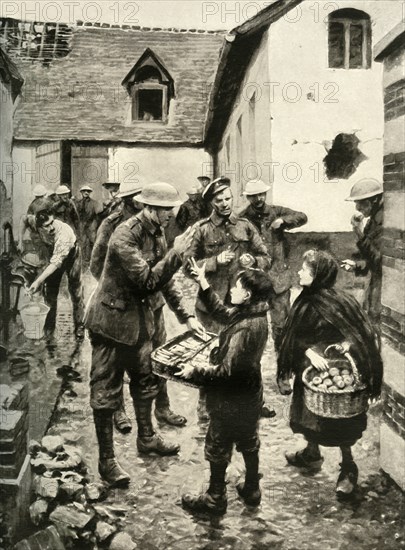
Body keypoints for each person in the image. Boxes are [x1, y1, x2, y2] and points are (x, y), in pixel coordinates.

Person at [84, 182, 205, 487]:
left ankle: (147, 437)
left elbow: (165, 284)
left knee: (145, 381)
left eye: (171, 209)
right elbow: (149, 280)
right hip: (110, 324)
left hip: (138, 323)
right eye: (166, 210)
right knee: (105, 393)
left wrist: (187, 316)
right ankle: (107, 461)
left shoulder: (157, 231)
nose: (170, 215)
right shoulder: (123, 235)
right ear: (149, 208)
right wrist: (176, 255)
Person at [277, 249, 382, 496]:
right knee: (309, 414)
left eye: (305, 270)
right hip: (312, 372)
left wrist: (347, 345)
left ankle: (348, 467)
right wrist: (308, 353)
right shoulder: (303, 300)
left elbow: (361, 333)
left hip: (337, 365)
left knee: (337, 421)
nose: (300, 272)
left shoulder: (342, 301)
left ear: (318, 275)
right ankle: (312, 453)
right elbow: (293, 337)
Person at [177, 259, 272, 515]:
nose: (231, 291)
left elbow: (226, 373)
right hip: (250, 395)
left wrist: (194, 370)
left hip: (230, 399)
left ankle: (214, 498)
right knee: (249, 441)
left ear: (248, 294)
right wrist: (203, 282)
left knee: (218, 445)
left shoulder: (245, 329)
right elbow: (221, 312)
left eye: (237, 288)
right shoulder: (255, 314)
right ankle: (252, 488)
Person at [184, 177, 270, 419]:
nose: (224, 204)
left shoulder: (245, 226)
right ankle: (205, 404)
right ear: (212, 202)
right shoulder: (202, 230)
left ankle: (255, 401)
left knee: (250, 355)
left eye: (228, 198)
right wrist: (213, 262)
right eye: (219, 200)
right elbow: (188, 266)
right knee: (212, 352)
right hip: (212, 305)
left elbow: (265, 256)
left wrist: (253, 261)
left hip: (243, 303)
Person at [90, 180, 143, 435]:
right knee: (114, 361)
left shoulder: (151, 225)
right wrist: (117, 287)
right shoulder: (111, 224)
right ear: (131, 199)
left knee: (144, 362)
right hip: (117, 304)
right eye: (140, 198)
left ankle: (151, 424)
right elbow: (96, 264)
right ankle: (119, 410)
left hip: (144, 304)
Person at [239, 179, 308, 352]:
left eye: (261, 194)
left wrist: (283, 221)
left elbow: (302, 217)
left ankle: (283, 363)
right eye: (254, 196)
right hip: (256, 278)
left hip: (278, 279)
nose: (259, 199)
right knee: (253, 324)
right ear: (248, 198)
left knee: (282, 325)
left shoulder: (276, 211)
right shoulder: (242, 218)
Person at [28, 210, 85, 340]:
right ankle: (49, 327)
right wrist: (20, 240)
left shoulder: (63, 233)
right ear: (39, 226)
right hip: (55, 254)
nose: (51, 227)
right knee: (50, 292)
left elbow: (56, 263)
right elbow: (24, 220)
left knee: (76, 291)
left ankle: (80, 325)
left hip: (72, 255)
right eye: (47, 225)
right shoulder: (34, 222)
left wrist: (38, 281)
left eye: (52, 222)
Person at [341, 178, 383, 340]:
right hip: (376, 286)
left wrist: (358, 232)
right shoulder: (373, 220)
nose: (357, 208)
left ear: (374, 200)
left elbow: (380, 260)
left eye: (361, 203)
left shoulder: (384, 221)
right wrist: (356, 265)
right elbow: (372, 259)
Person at [76, 185, 100, 264]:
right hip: (82, 224)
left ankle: (93, 260)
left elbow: (97, 214)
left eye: (88, 191)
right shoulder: (77, 203)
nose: (86, 192)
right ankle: (83, 260)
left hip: (91, 224)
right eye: (84, 191)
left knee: (92, 241)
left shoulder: (94, 203)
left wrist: (93, 224)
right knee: (82, 242)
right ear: (81, 192)